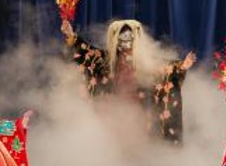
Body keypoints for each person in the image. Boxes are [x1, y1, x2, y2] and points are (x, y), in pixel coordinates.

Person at [60, 19, 196, 144]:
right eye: (122, 37)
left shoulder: (145, 60)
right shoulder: (107, 60)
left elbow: (163, 68)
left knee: (139, 141)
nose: (126, 41)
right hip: (115, 110)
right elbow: (86, 53)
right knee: (116, 143)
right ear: (116, 39)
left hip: (139, 111)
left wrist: (182, 66)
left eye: (130, 37)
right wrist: (71, 35)